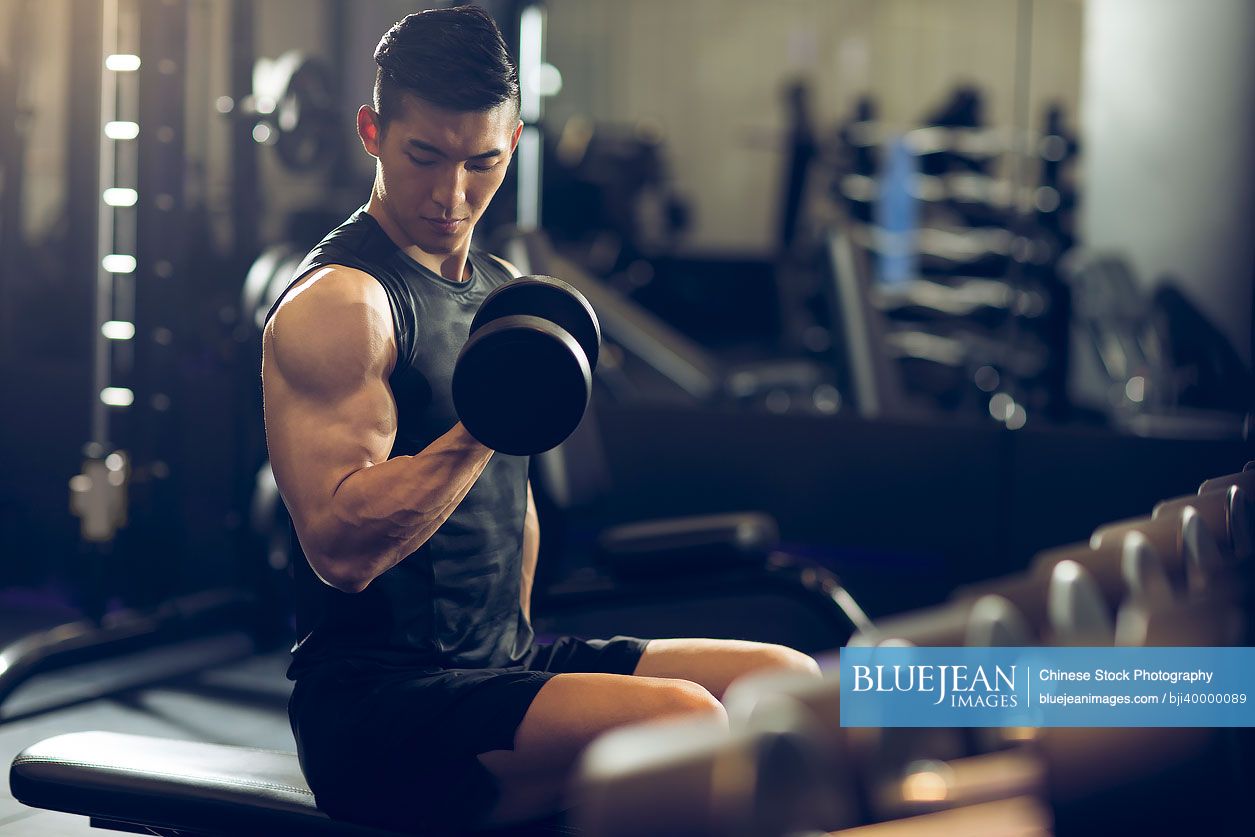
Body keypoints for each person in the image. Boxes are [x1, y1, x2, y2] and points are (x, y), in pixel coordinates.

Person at [261, 6, 820, 832]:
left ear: (514, 143)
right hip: (382, 705)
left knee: (792, 681)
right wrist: (486, 422)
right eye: (425, 156)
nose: (453, 194)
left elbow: (508, 514)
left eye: (480, 161)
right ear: (372, 131)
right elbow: (341, 552)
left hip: (501, 665)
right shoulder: (345, 303)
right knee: (685, 722)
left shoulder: (498, 287)